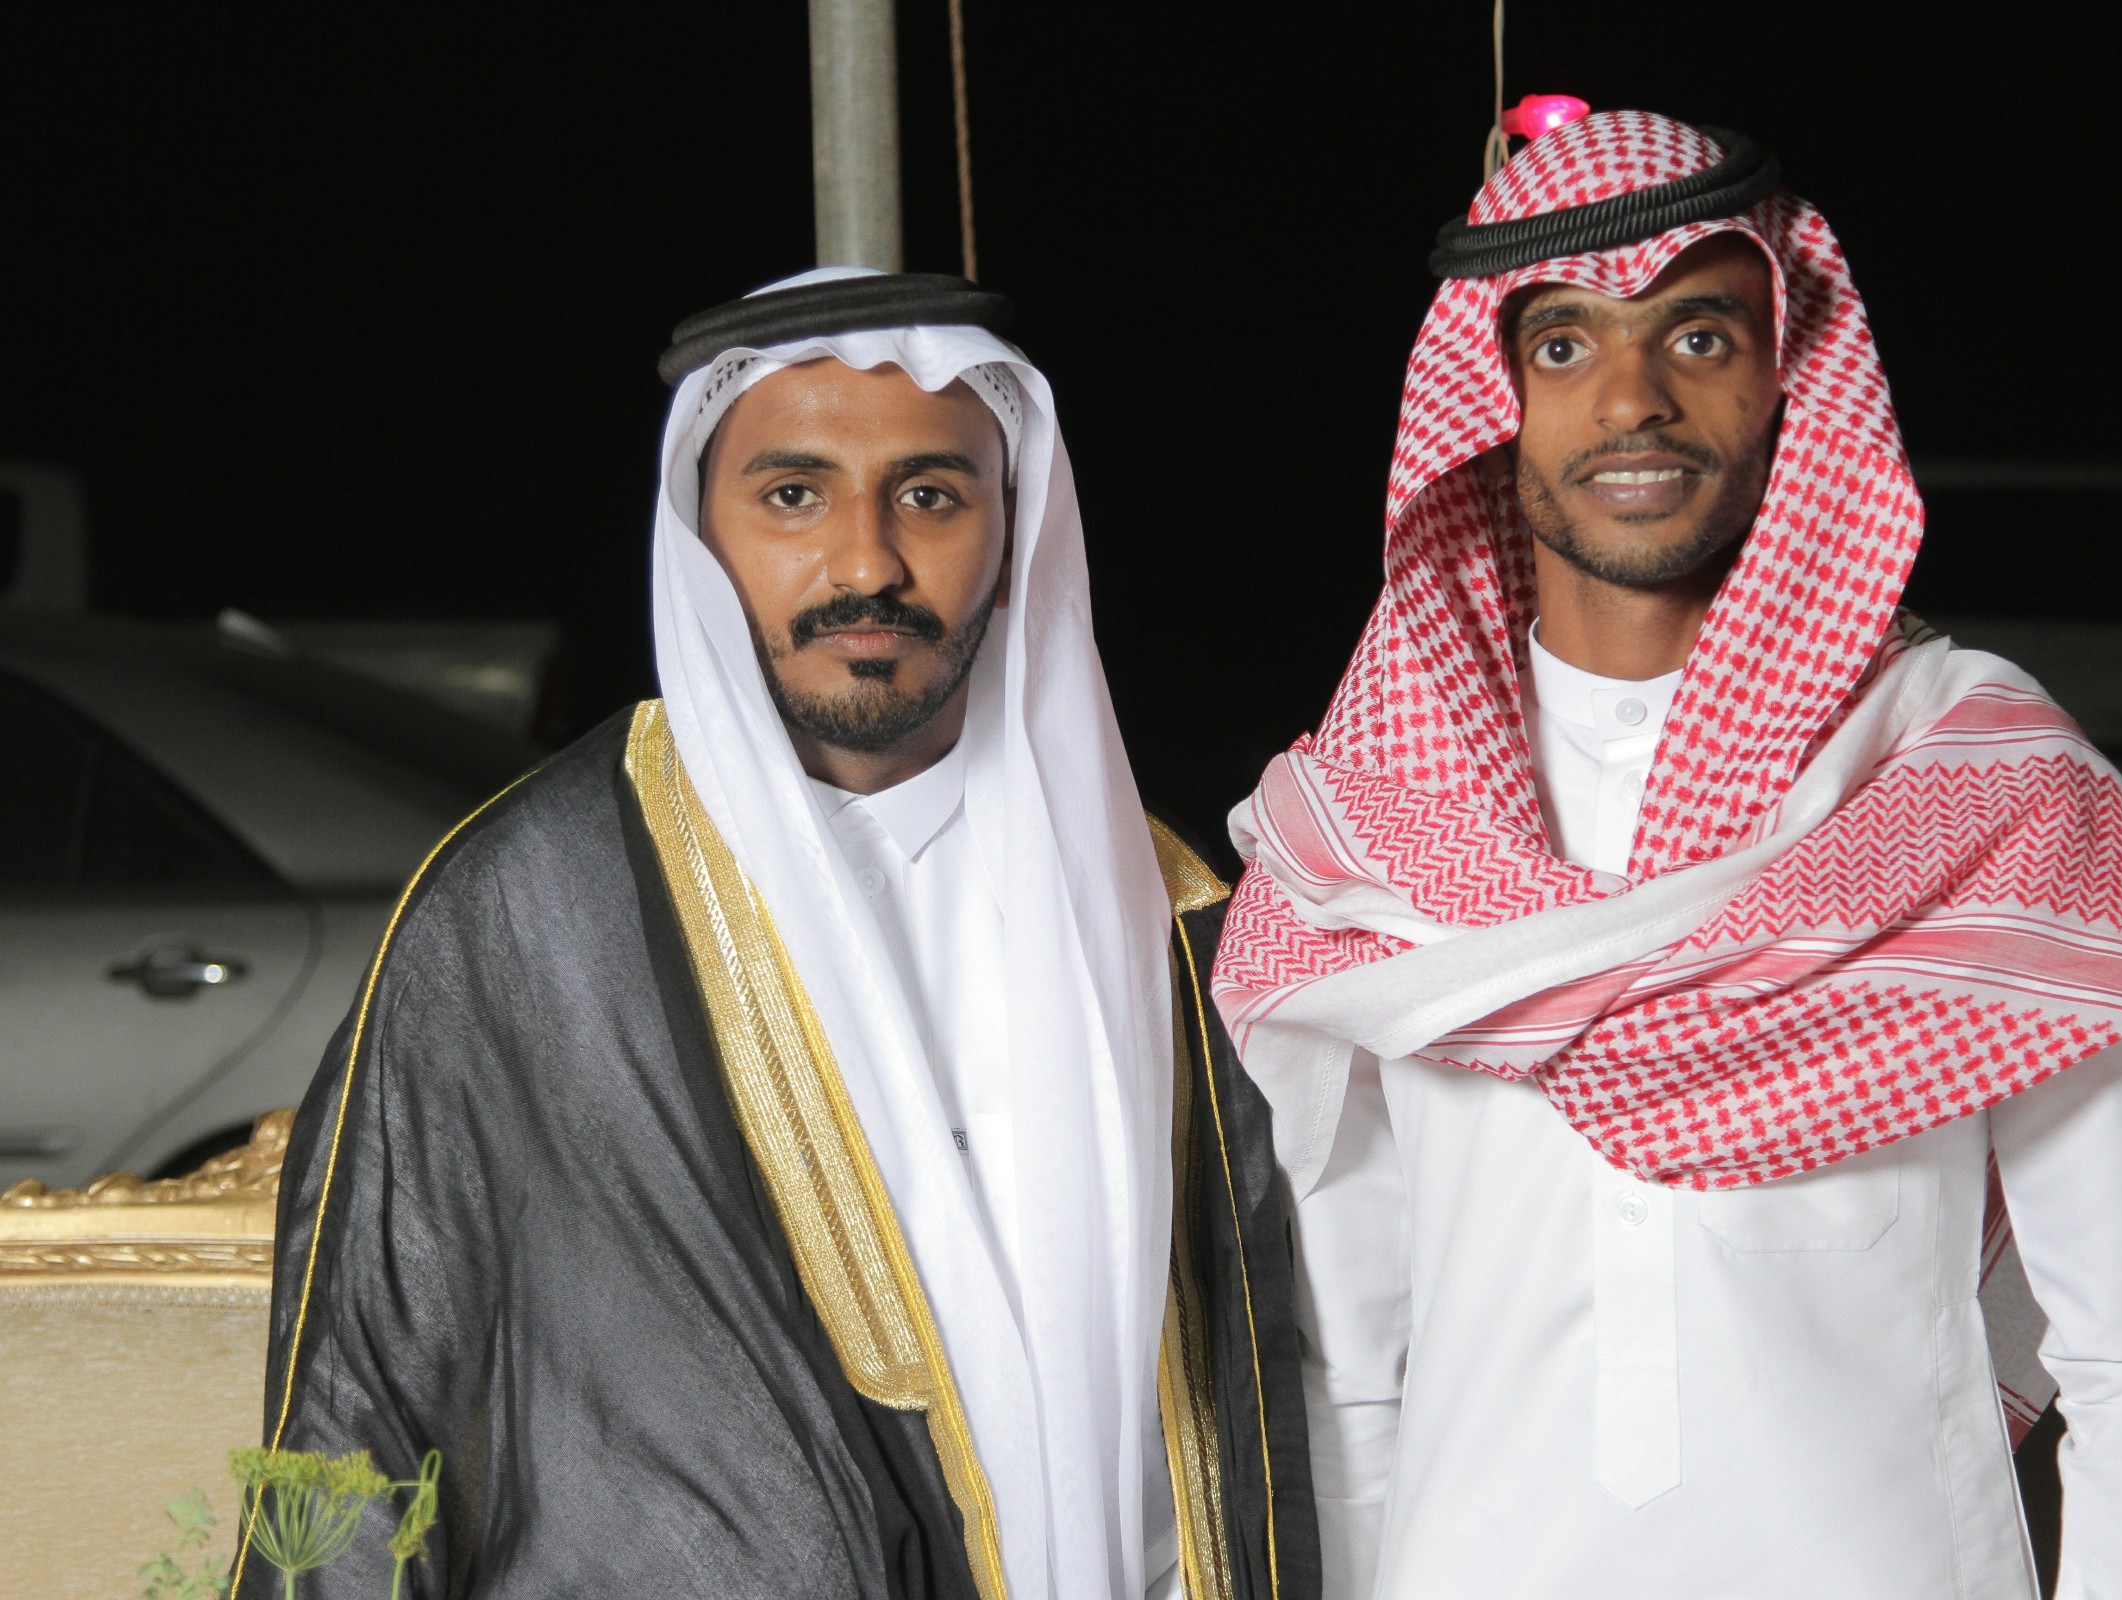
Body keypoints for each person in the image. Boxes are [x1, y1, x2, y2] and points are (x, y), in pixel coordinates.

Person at [1211, 111, 2122, 1600]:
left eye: (1697, 337)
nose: (1630, 399)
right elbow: (1353, 1370)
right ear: (1492, 401)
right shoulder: (1366, 836)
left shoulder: (1984, 794)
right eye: (1563, 345)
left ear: (1788, 376)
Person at [238, 269, 1315, 1600]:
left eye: (931, 495)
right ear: (701, 538)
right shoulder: (526, 911)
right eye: (794, 495)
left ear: (1016, 533)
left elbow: (1295, 1390)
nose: (866, 564)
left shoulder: (1171, 911)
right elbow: (363, 1403)